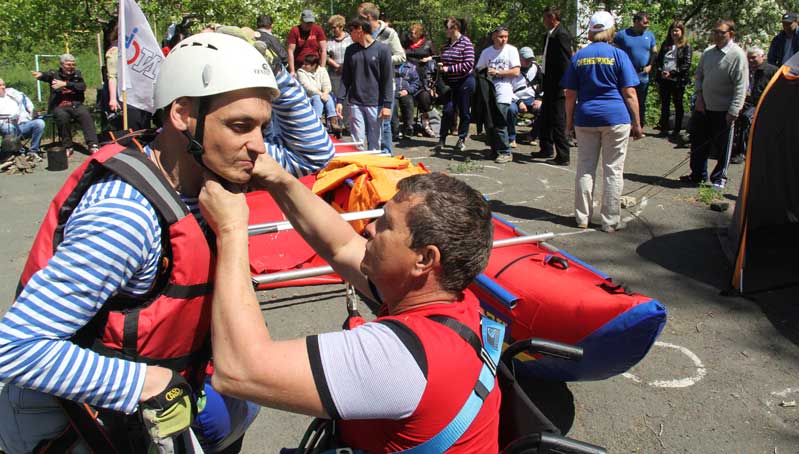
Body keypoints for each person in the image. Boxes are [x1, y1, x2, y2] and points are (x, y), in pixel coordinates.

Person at [0, 32, 335, 454]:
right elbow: (16, 347)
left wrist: (275, 75)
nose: (258, 145)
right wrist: (146, 383)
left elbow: (313, 156)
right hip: (76, 420)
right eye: (240, 125)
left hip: (162, 394)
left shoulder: (215, 169)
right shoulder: (125, 217)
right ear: (182, 114)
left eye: (262, 127)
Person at [200, 167, 500, 452]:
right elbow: (340, 245)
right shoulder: (451, 302)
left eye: (385, 224)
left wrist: (231, 229)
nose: (367, 228)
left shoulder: (399, 357)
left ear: (423, 259)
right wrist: (278, 177)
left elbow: (239, 369)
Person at [562, 10, 644, 232]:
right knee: (613, 170)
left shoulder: (579, 56)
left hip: (586, 117)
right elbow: (630, 93)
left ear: (590, 30)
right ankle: (609, 221)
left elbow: (570, 94)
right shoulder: (619, 55)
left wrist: (569, 122)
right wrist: (637, 123)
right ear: (610, 30)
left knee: (585, 168)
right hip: (616, 118)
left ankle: (582, 218)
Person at [681, 19, 748, 190]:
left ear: (730, 34)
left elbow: (741, 85)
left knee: (723, 146)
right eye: (715, 32)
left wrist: (734, 110)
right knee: (698, 142)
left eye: (721, 33)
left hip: (724, 109)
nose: (717, 36)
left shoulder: (737, 55)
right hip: (704, 106)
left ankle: (719, 178)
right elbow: (699, 76)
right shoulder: (708, 52)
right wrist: (699, 97)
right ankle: (697, 175)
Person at [358, 2, 406, 154]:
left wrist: (382, 59)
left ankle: (386, 154)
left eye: (360, 17)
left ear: (368, 17)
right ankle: (372, 154)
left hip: (384, 85)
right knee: (368, 124)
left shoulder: (389, 33)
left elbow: (401, 56)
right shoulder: (360, 33)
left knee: (384, 123)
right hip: (365, 86)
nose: (358, 20)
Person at [340, 17, 393, 151]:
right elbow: (345, 77)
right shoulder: (350, 50)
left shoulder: (383, 49)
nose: (349, 34)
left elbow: (387, 79)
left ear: (360, 30)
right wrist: (339, 100)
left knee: (375, 143)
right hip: (355, 102)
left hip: (375, 103)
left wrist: (387, 105)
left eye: (351, 31)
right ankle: (359, 170)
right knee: (357, 142)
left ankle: (373, 170)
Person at [32, 53, 99, 157]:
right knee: (62, 117)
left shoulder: (77, 74)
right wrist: (40, 75)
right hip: (60, 105)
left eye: (72, 64)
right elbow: (47, 75)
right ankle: (68, 146)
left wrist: (66, 84)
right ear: (62, 65)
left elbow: (82, 87)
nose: (70, 67)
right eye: (68, 64)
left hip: (75, 104)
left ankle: (93, 145)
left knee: (86, 116)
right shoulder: (54, 74)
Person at [533, 6, 573, 166]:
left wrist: (566, 83)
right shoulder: (549, 35)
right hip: (548, 80)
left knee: (558, 119)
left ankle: (563, 154)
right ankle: (546, 148)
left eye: (545, 18)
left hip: (558, 83)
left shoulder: (561, 35)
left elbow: (565, 61)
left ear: (552, 18)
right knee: (546, 116)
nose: (544, 21)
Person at [475, 25, 521, 163]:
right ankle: (494, 150)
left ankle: (506, 152)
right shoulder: (487, 52)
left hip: (504, 90)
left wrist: (498, 72)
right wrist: (485, 72)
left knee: (500, 121)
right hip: (488, 90)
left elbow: (516, 72)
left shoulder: (511, 50)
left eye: (506, 37)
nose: (503, 40)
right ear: (494, 37)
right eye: (501, 36)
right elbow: (478, 68)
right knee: (489, 122)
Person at [729, 46, 778, 164]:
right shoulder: (746, 69)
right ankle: (729, 147)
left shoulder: (771, 71)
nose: (750, 61)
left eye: (754, 58)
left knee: (746, 118)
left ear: (762, 56)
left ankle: (742, 152)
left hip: (762, 104)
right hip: (746, 102)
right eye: (748, 58)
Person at [437, 16, 475, 152]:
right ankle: (442, 138)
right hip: (449, 83)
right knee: (447, 110)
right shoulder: (446, 45)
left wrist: (450, 68)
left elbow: (469, 63)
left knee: (464, 111)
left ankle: (462, 138)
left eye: (447, 28)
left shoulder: (466, 43)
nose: (445, 31)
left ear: (455, 28)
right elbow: (444, 59)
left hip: (465, 81)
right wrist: (442, 66)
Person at [614, 11, 658, 128]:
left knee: (641, 102)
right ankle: (626, 125)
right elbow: (615, 53)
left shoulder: (650, 35)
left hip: (642, 74)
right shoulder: (622, 35)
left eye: (648, 23)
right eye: (645, 22)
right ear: (637, 22)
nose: (647, 25)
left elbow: (654, 52)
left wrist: (650, 65)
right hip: (626, 74)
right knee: (625, 100)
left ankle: (639, 126)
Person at [654, 20, 692, 140]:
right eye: (672, 30)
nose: (674, 33)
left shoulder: (686, 45)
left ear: (682, 32)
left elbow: (686, 64)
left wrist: (673, 73)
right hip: (664, 79)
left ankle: (677, 129)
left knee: (678, 104)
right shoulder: (666, 44)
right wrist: (661, 71)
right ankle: (664, 127)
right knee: (665, 104)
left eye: (677, 30)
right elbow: (659, 60)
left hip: (677, 80)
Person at [404, 23, 436, 137]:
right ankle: (409, 126)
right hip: (408, 77)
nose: (411, 35)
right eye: (410, 33)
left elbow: (436, 57)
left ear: (419, 33)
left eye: (413, 33)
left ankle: (426, 125)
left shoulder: (428, 44)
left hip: (422, 76)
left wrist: (429, 58)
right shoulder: (406, 44)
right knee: (407, 99)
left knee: (424, 98)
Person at [296, 53, 342, 133]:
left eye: (307, 64)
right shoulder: (300, 72)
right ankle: (318, 121)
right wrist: (321, 94)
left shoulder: (322, 70)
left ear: (314, 65)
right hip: (308, 97)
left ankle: (333, 122)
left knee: (328, 96)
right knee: (318, 98)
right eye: (304, 63)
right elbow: (308, 87)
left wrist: (325, 92)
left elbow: (327, 84)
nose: (304, 65)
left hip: (322, 96)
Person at [0, 79, 45, 160]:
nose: (3, 87)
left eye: (3, 84)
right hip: (6, 125)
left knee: (39, 123)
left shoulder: (12, 93)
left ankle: (33, 151)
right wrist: (6, 120)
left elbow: (26, 100)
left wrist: (32, 111)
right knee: (9, 127)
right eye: (0, 85)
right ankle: (18, 152)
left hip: (22, 123)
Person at [511, 46, 542, 146]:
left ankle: (532, 135)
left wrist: (539, 99)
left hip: (531, 98)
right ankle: (511, 138)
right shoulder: (512, 68)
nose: (528, 61)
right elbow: (507, 89)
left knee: (544, 110)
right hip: (515, 98)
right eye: (526, 59)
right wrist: (519, 102)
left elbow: (542, 84)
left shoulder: (536, 68)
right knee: (511, 110)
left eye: (530, 59)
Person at [287, 9, 327, 76]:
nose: (309, 24)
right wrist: (292, 71)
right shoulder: (295, 30)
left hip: (315, 67)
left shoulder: (318, 29)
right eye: (307, 22)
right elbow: (290, 51)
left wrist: (322, 69)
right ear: (301, 20)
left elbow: (324, 50)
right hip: (299, 67)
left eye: (311, 22)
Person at [325, 14, 353, 103]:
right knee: (337, 98)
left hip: (349, 72)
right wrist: (336, 65)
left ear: (341, 27)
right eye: (332, 28)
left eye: (334, 27)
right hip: (335, 74)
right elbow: (325, 56)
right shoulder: (329, 41)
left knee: (349, 98)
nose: (333, 30)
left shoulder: (351, 39)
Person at [392, 60, 422, 139]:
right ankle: (394, 132)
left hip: (406, 92)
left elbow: (416, 82)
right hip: (392, 92)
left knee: (408, 104)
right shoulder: (389, 65)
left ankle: (408, 130)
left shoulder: (411, 67)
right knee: (393, 107)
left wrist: (408, 90)